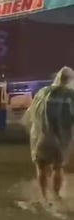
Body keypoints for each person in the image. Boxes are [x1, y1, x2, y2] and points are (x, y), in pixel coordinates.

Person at [25, 66, 74, 203]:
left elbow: (31, 113)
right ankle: (57, 195)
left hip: (40, 137)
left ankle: (44, 196)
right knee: (58, 167)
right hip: (60, 138)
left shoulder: (42, 92)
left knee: (41, 166)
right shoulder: (70, 95)